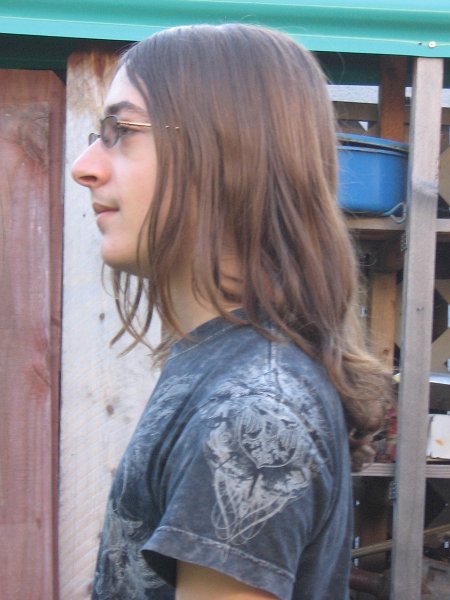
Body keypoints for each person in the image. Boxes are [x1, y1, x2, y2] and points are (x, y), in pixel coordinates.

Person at [71, 23, 391, 600]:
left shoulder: (253, 412)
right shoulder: (222, 363)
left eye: (123, 131)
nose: (84, 165)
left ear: (225, 154)